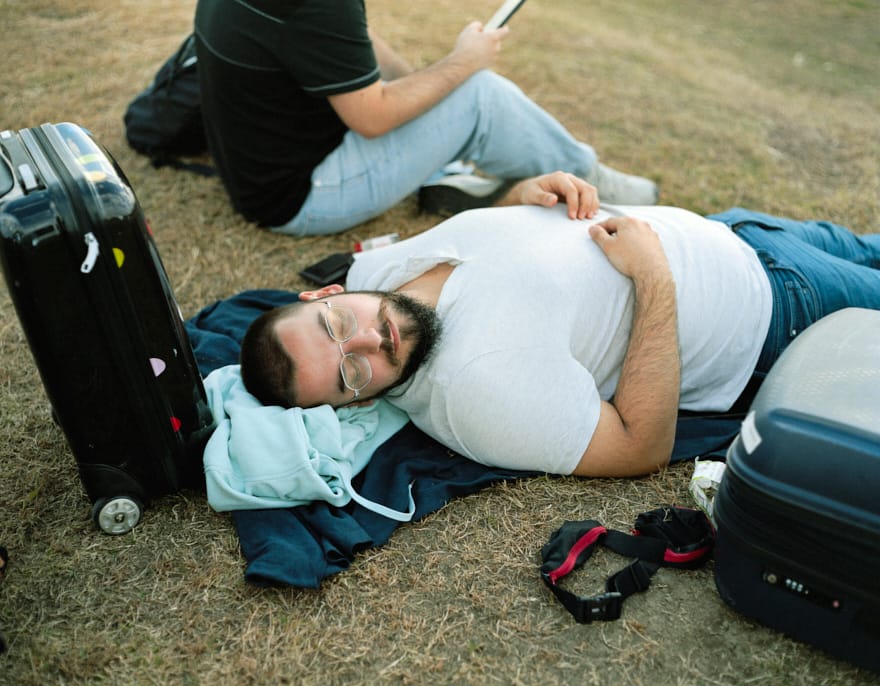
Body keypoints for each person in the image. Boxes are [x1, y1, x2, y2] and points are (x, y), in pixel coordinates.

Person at [239, 171, 880, 478]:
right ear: (355, 402)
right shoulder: (476, 394)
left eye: (332, 325)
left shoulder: (375, 274)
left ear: (325, 291)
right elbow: (640, 448)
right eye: (352, 372)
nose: (369, 340)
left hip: (733, 229)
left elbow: (493, 247)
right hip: (775, 312)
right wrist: (654, 278)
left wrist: (522, 197)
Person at [192, 0, 658, 236]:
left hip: (260, 169)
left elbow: (353, 46)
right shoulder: (317, 3)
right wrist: (463, 62)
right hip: (296, 197)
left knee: (457, 96)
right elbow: (371, 117)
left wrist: (430, 99)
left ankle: (453, 172)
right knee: (481, 94)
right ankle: (588, 179)